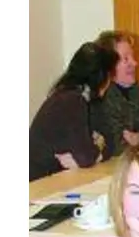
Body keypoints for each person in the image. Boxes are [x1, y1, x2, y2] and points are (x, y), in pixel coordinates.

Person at [29, 40, 114, 180]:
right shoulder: (73, 100)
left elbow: (109, 141)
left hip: (53, 177)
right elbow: (86, 157)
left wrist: (95, 149)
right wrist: (98, 147)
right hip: (39, 182)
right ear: (100, 76)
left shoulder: (70, 96)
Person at [89, 29, 139, 157]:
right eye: (126, 59)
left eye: (133, 57)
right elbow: (114, 146)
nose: (135, 63)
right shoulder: (99, 98)